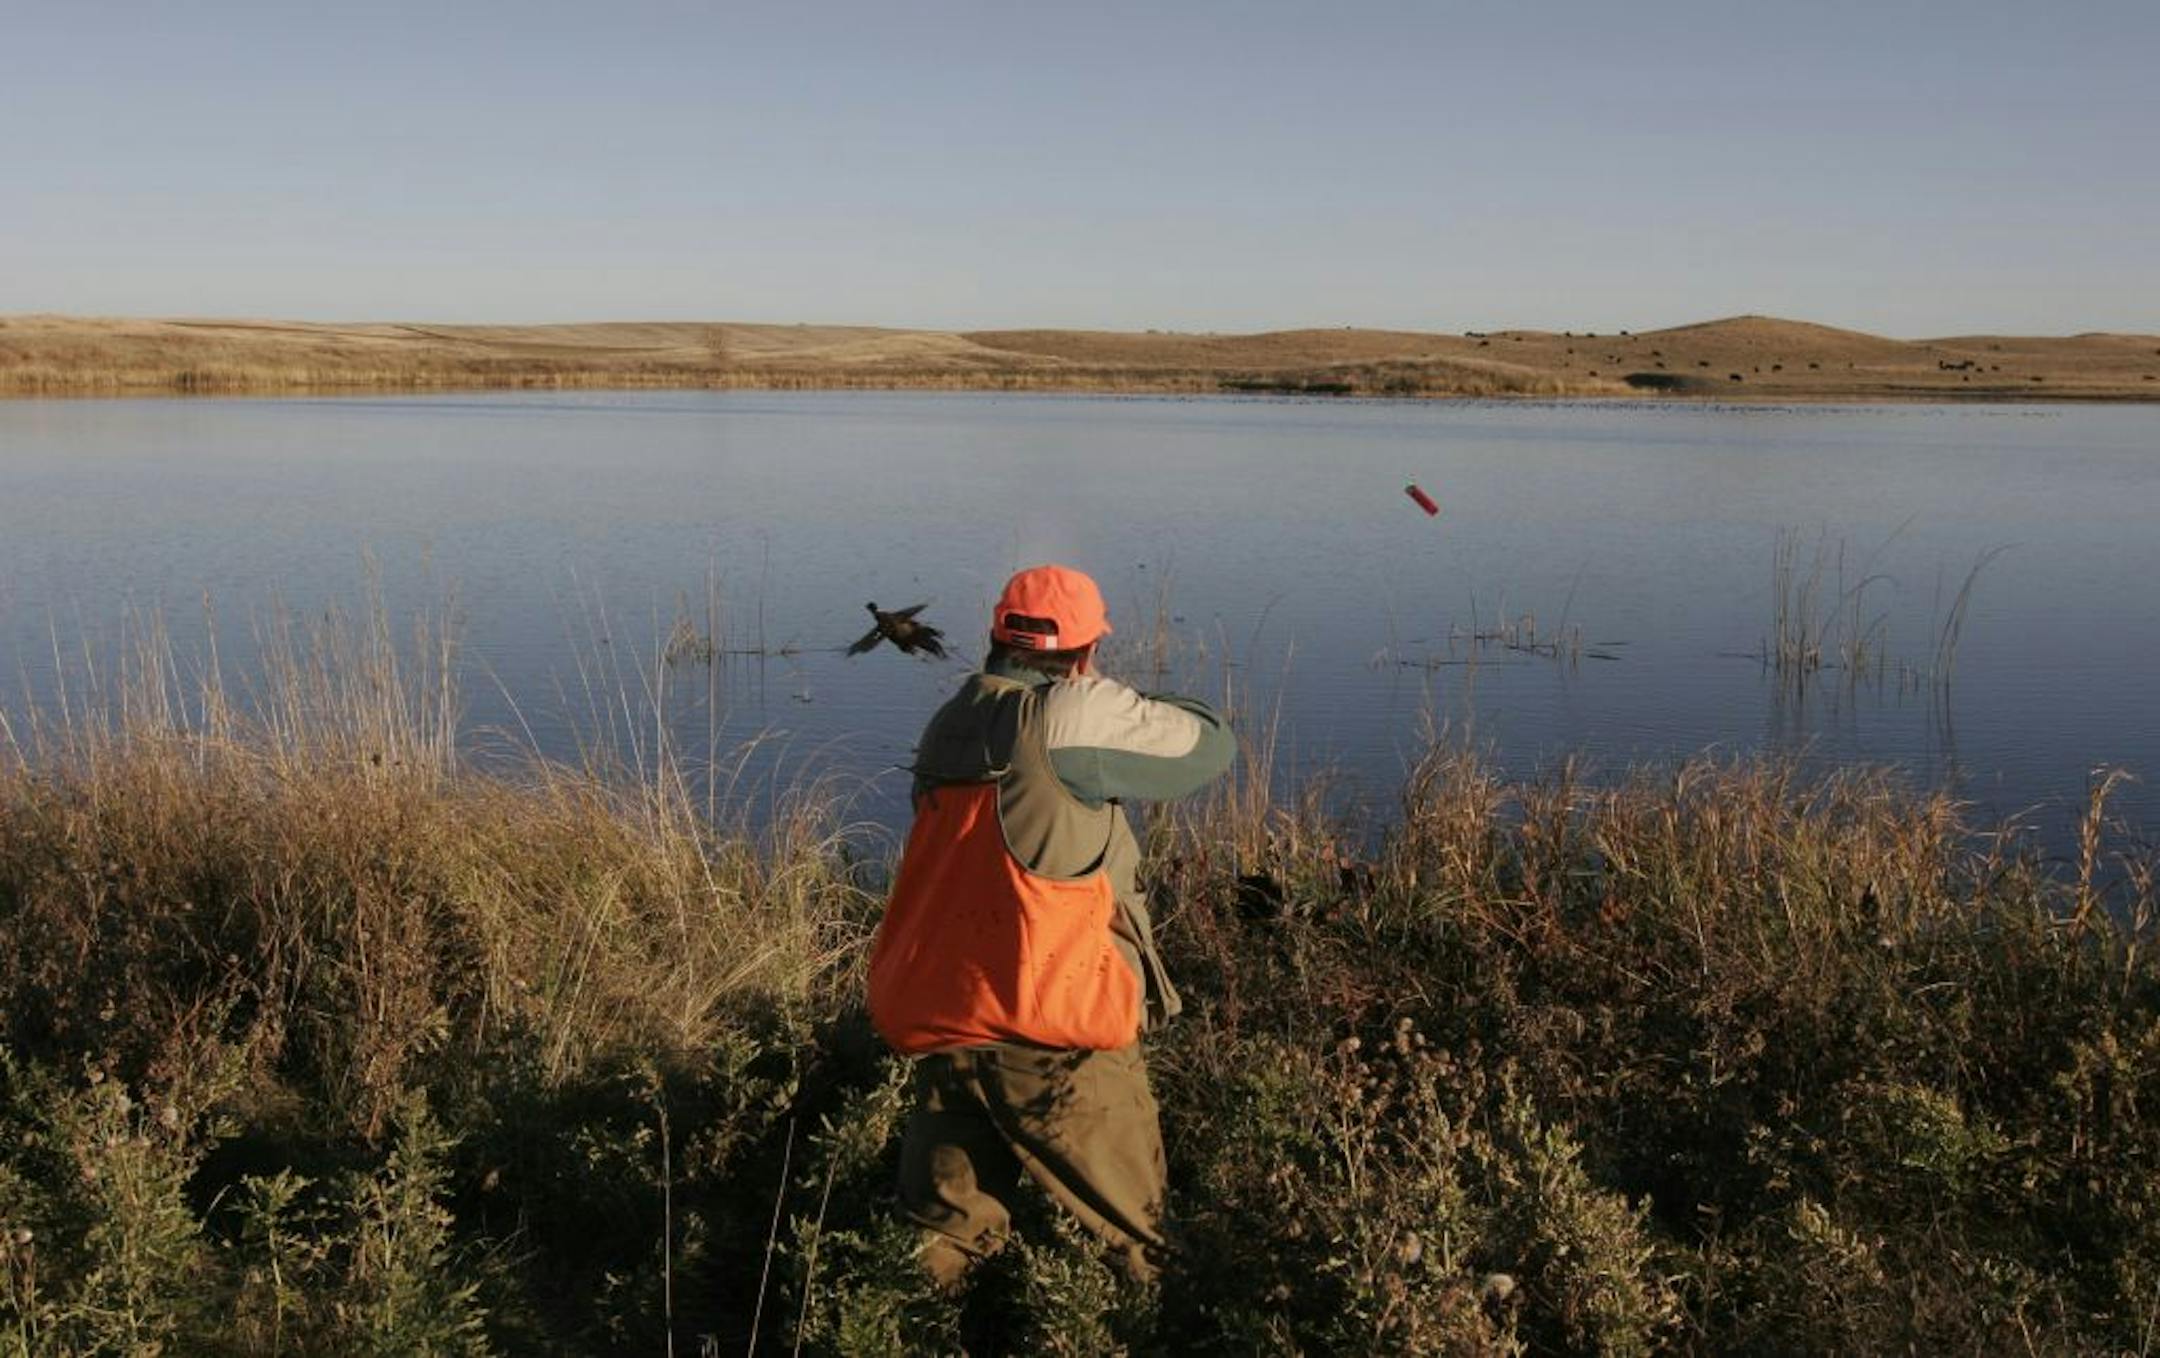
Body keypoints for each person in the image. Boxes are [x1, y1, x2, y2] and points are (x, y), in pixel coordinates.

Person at [866, 563, 1236, 1287]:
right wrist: (1119, 700)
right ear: (1086, 654)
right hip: (1053, 1023)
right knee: (1148, 1255)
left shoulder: (951, 722)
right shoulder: (1073, 716)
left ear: (997, 639)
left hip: (948, 1025)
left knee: (939, 1249)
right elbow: (1209, 745)